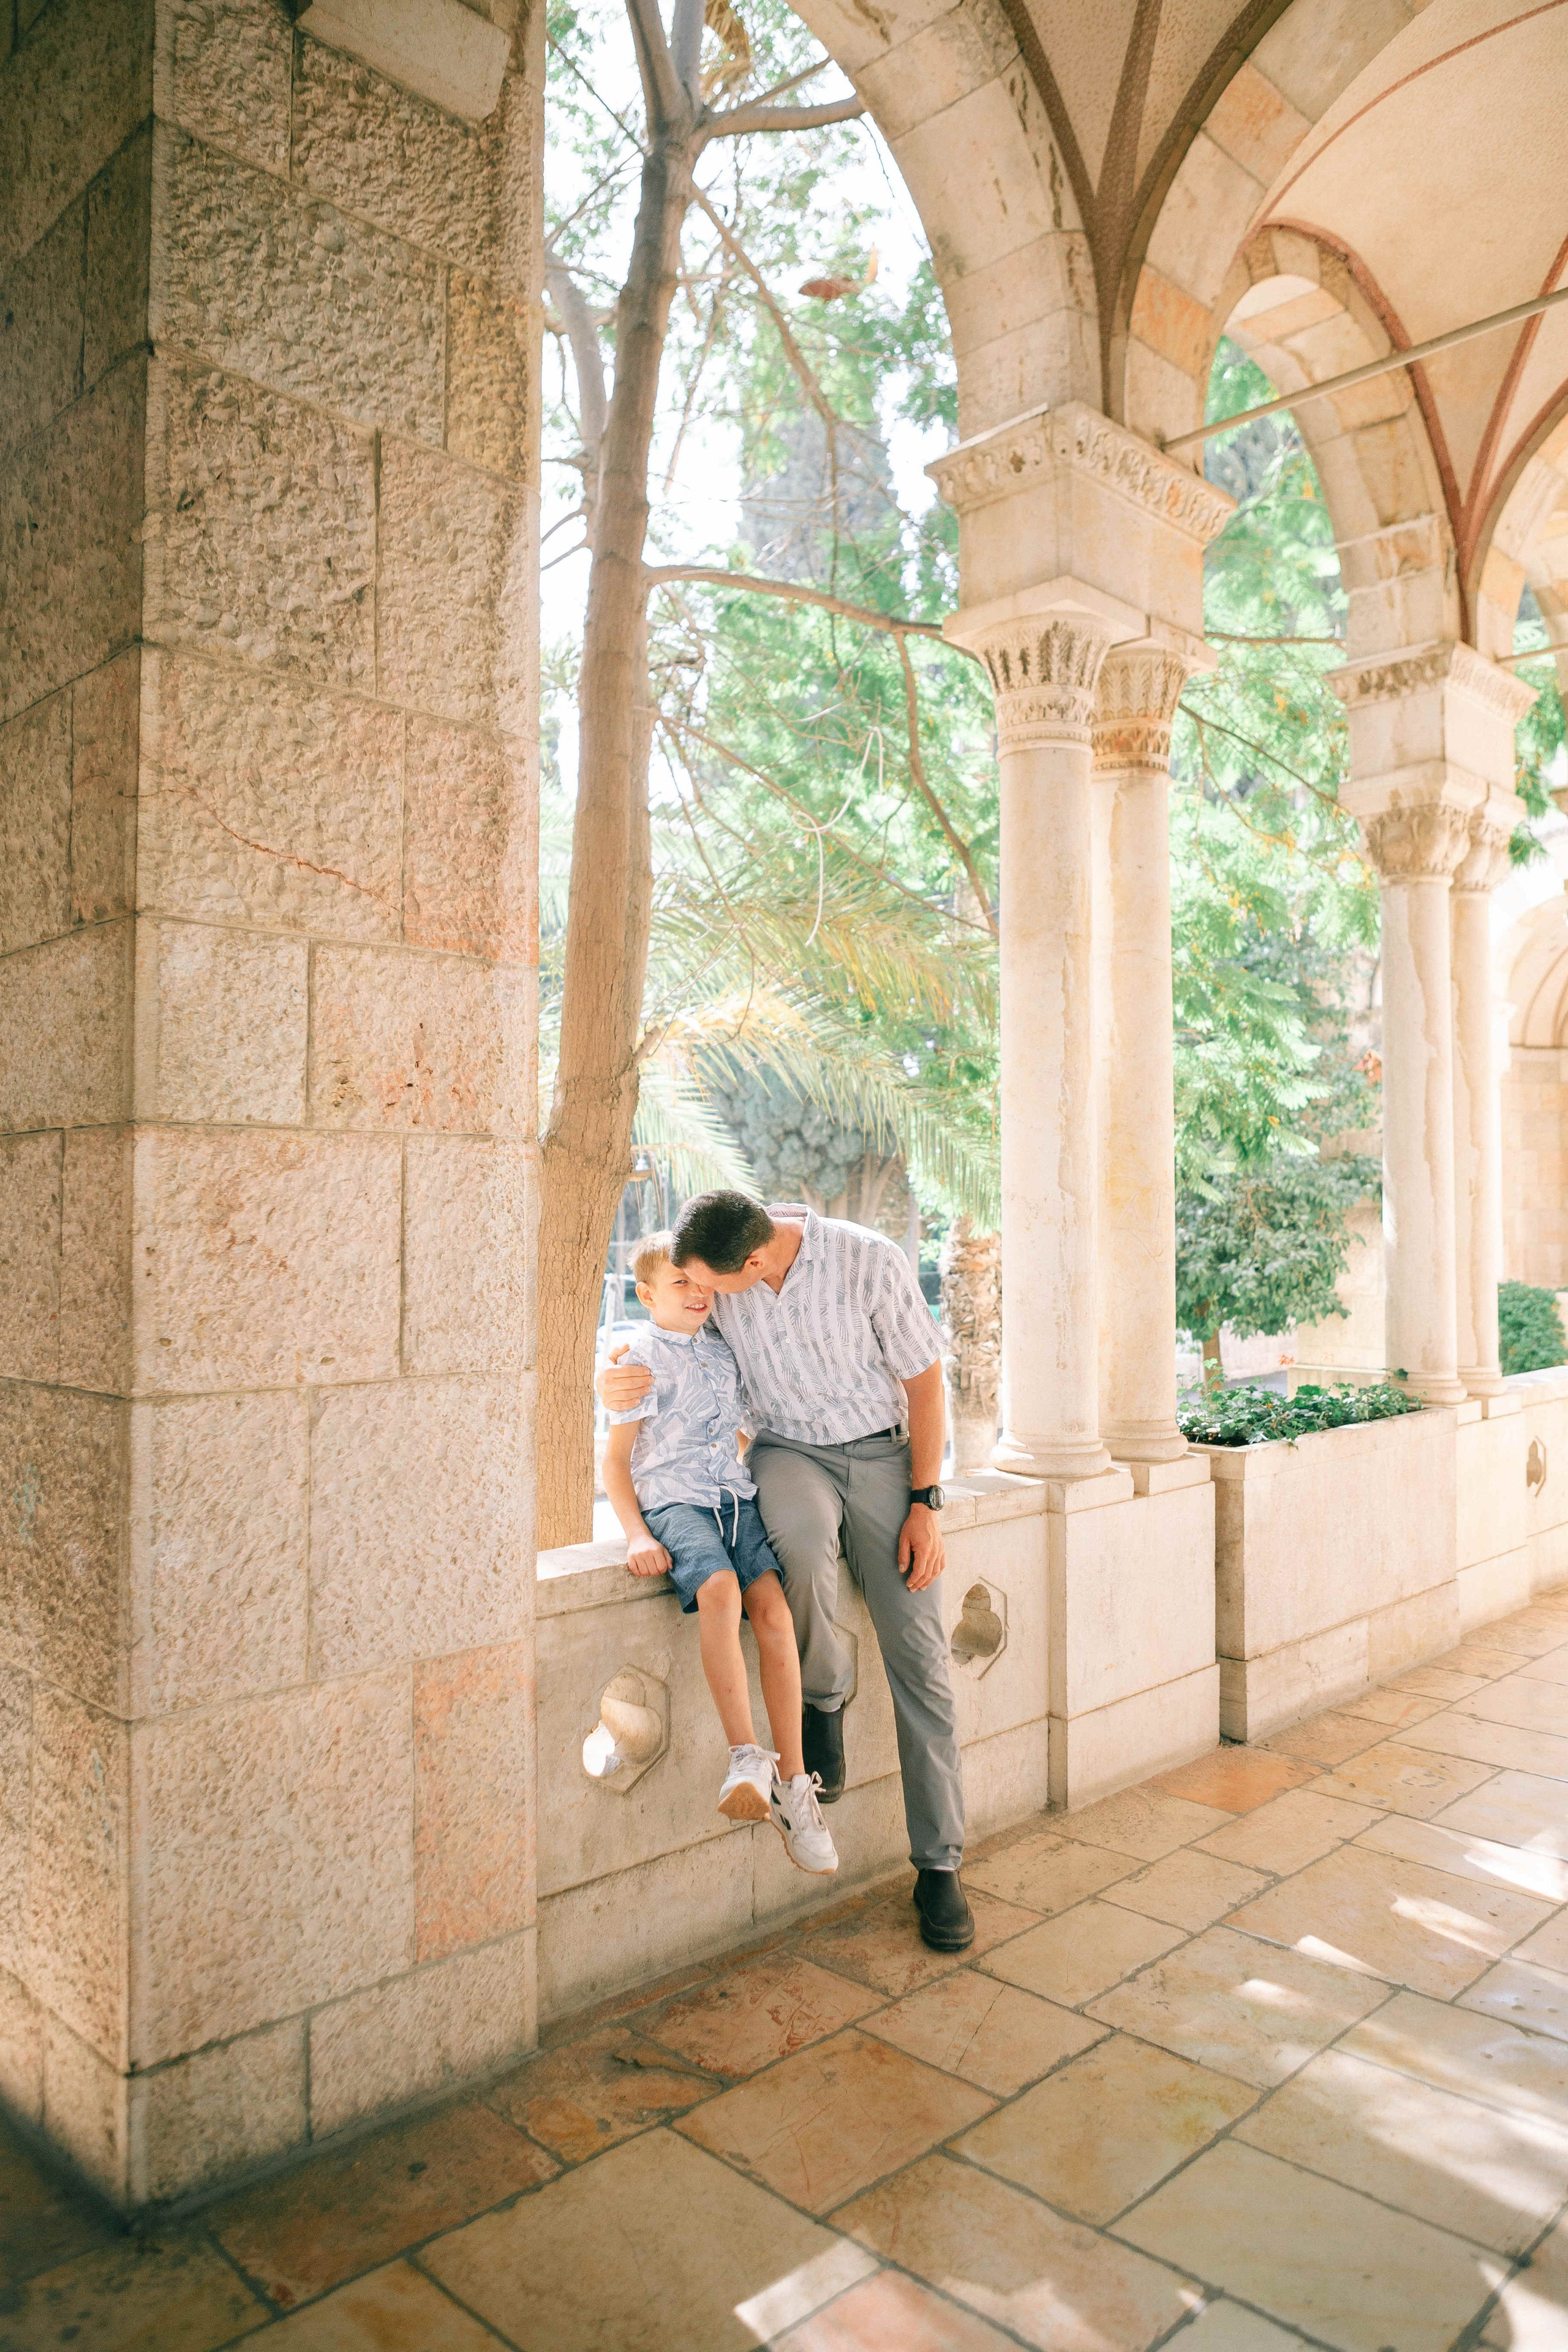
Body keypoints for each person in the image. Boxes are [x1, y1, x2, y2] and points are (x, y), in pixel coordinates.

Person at [599, 1191, 971, 1952]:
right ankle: (823, 1698)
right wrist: (610, 1377)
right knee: (798, 1554)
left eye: (712, 1285)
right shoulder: (726, 1255)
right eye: (694, 1286)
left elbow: (926, 1379)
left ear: (756, 1261)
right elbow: (659, 1333)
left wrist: (924, 1501)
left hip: (882, 1454)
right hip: (786, 1453)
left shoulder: (869, 1260)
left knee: (922, 1657)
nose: (705, 1297)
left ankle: (939, 1864)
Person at [600, 1231, 838, 1876]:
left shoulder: (721, 1350)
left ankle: (793, 1786)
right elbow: (616, 1463)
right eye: (680, 1284)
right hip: (678, 1506)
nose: (697, 1293)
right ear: (646, 1294)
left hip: (736, 1500)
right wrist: (638, 1535)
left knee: (775, 1615)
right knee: (721, 1592)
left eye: (702, 1283)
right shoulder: (637, 1356)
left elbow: (739, 1427)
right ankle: (745, 1755)